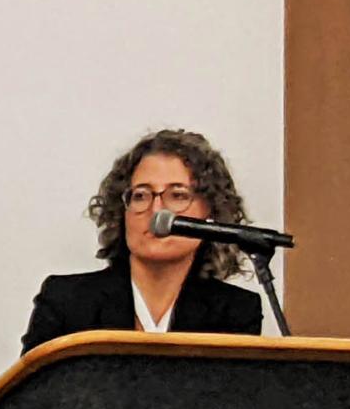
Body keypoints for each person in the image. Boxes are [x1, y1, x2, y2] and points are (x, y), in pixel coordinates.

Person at [21, 128, 266, 352]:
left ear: (211, 213)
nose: (157, 210)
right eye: (141, 195)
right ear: (122, 212)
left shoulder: (236, 310)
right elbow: (30, 397)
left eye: (177, 195)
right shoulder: (66, 300)